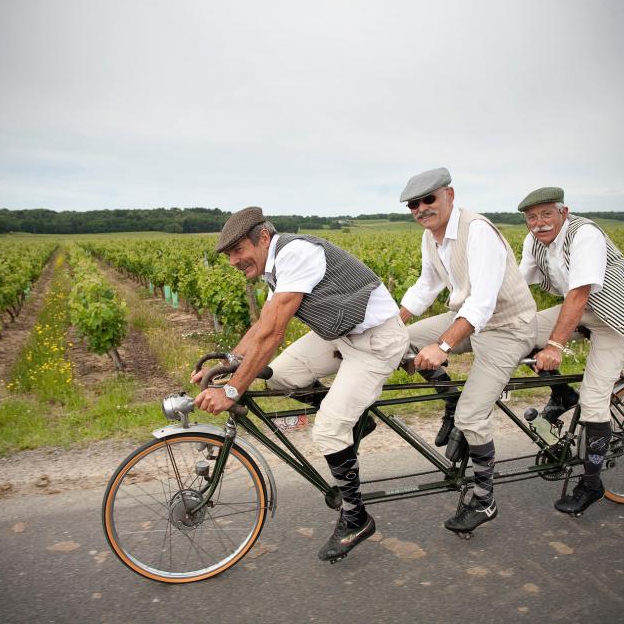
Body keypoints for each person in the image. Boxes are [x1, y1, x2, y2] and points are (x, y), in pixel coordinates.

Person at [193, 206, 409, 562]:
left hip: (376, 341)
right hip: (340, 336)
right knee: (280, 377)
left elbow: (275, 332)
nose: (233, 260)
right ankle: (358, 420)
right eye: (228, 254)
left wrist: (232, 390)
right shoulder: (274, 267)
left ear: (263, 238)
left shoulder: (295, 253)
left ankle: (356, 517)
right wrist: (227, 364)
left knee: (326, 432)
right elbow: (262, 325)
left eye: (237, 250)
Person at [397, 168, 537, 535]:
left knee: (473, 415)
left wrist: (443, 345)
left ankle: (485, 498)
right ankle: (449, 403)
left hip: (506, 326)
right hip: (468, 317)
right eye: (414, 204)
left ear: (450, 195)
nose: (422, 209)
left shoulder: (477, 231)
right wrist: (393, 324)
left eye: (429, 199)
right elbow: (426, 286)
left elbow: (483, 302)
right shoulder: (432, 238)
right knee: (401, 341)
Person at [517, 186, 624, 516]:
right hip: (582, 310)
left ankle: (592, 483)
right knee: (516, 332)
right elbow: (518, 284)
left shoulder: (584, 234)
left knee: (594, 401)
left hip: (616, 318)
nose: (539, 223)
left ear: (563, 212)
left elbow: (578, 294)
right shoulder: (534, 242)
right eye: (532, 218)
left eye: (546, 214)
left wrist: (555, 345)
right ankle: (563, 395)